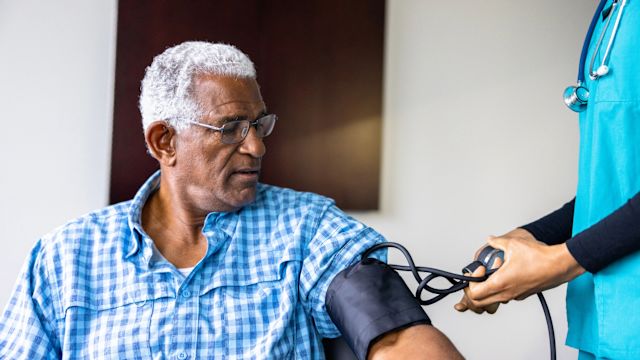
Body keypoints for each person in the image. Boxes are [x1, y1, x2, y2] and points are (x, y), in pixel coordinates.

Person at [0, 42, 462, 360]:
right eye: (231, 129)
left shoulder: (307, 227)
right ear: (165, 141)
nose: (257, 148)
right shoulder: (64, 258)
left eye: (259, 125)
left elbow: (394, 332)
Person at [455, 1, 640, 359]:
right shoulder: (615, 12)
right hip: (608, 330)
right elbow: (615, 189)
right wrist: (531, 237)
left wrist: (559, 262)